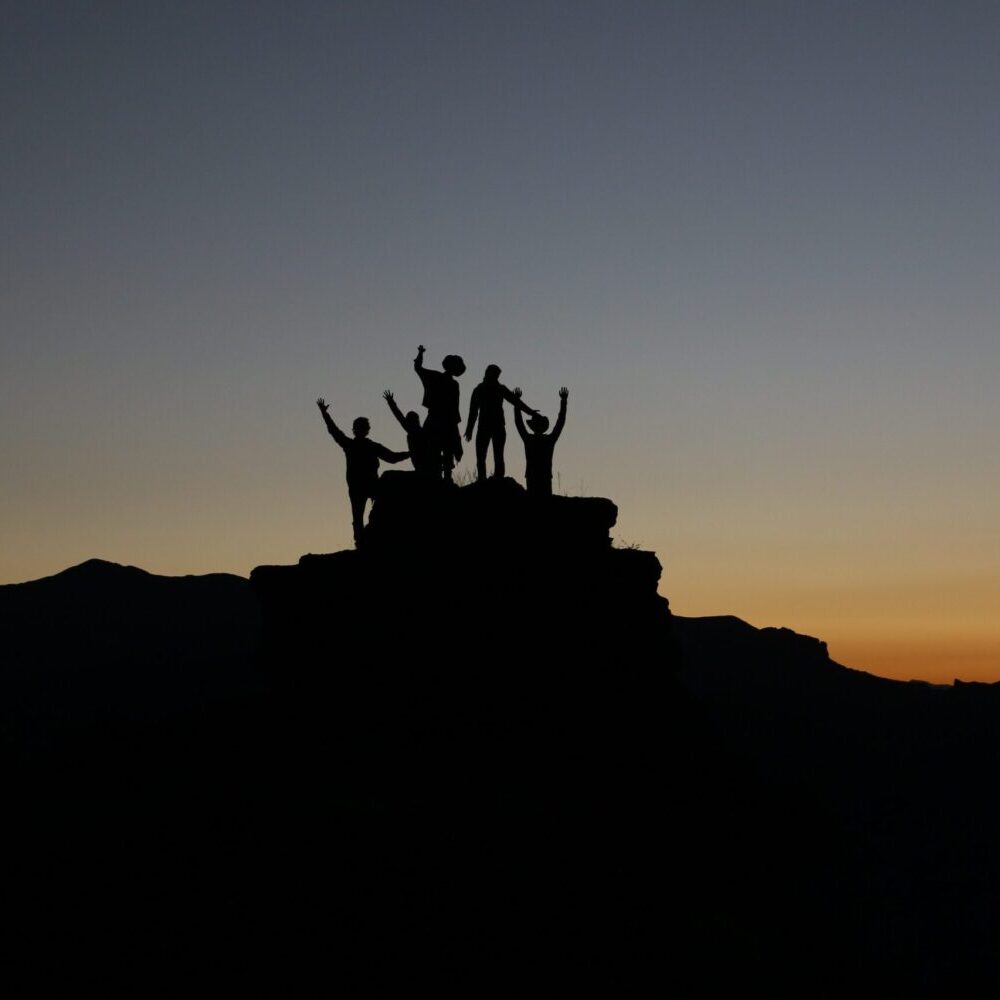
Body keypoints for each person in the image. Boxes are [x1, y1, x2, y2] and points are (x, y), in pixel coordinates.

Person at [316, 397, 409, 546]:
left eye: (361, 427)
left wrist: (409, 453)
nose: (360, 430)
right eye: (359, 427)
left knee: (362, 514)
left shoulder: (361, 445)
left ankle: (369, 537)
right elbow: (334, 431)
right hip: (359, 486)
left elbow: (392, 457)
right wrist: (324, 414)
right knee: (358, 516)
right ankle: (362, 541)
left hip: (365, 485)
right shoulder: (354, 445)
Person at [464, 365, 538, 482]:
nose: (497, 377)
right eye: (495, 375)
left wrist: (530, 412)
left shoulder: (497, 389)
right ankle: (483, 479)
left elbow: (515, 401)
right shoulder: (480, 389)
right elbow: (473, 411)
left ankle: (498, 478)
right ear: (488, 374)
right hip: (485, 426)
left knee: (497, 455)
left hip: (496, 426)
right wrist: (469, 429)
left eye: (497, 375)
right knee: (482, 455)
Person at [413, 344, 465, 482]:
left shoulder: (446, 381)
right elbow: (418, 368)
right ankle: (441, 478)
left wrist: (420, 354)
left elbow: (418, 368)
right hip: (442, 421)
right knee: (440, 450)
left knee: (440, 451)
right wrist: (420, 353)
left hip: (440, 420)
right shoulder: (445, 381)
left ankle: (441, 478)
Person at [513, 387, 568, 497]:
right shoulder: (549, 440)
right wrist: (563, 402)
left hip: (533, 476)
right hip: (544, 476)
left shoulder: (529, 439)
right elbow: (560, 423)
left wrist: (517, 402)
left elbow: (519, 423)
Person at [382, 389, 437, 479]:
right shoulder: (421, 431)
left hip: (424, 463)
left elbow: (399, 416)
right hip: (424, 463)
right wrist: (391, 402)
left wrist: (391, 402)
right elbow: (399, 416)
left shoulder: (416, 431)